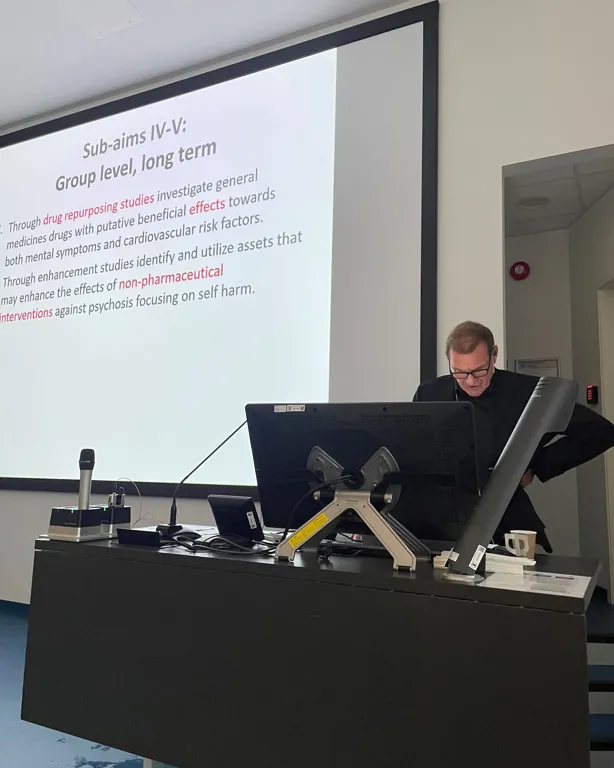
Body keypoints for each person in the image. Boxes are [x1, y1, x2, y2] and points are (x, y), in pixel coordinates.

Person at [414, 321, 614, 552]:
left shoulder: (528, 391)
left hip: (507, 521)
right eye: (459, 372)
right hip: (441, 523)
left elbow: (600, 431)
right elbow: (416, 449)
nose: (470, 380)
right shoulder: (429, 393)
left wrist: (536, 464)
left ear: (494, 355)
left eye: (479, 370)